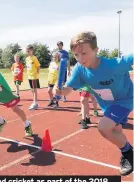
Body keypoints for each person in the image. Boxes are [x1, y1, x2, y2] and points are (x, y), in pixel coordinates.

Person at [53, 31, 133, 176]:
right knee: (116, 131)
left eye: (84, 53)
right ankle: (128, 151)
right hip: (107, 105)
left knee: (103, 127)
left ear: (96, 50)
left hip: (124, 100)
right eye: (76, 55)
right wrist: (59, 91)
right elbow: (68, 90)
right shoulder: (79, 69)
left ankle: (128, 153)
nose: (80, 58)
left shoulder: (113, 65)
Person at [25, 45, 40, 110]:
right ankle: (34, 101)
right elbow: (28, 67)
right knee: (32, 90)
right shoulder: (27, 59)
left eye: (29, 51)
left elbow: (38, 66)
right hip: (29, 76)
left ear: (32, 51)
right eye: (26, 51)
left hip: (34, 76)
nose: (27, 52)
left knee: (34, 89)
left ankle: (35, 102)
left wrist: (37, 73)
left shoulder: (34, 58)